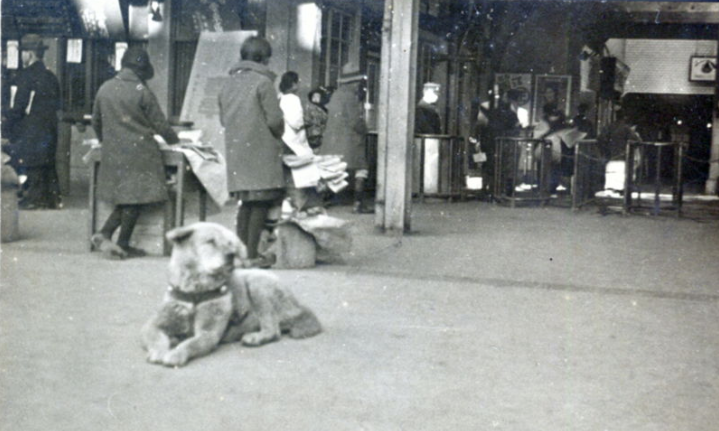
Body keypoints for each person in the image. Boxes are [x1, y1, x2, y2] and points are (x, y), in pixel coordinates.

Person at [91, 46, 179, 259]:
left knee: (130, 199)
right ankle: (108, 234)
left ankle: (117, 241)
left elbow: (96, 121)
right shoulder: (142, 91)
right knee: (136, 198)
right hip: (140, 154)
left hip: (113, 153)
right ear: (141, 70)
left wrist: (106, 140)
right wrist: (176, 141)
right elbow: (159, 123)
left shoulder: (105, 88)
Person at [218, 36, 285, 268]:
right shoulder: (263, 83)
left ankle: (241, 254)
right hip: (261, 149)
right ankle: (252, 256)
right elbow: (275, 120)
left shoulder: (227, 83)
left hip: (238, 150)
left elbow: (223, 119)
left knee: (246, 203)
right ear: (263, 59)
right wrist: (278, 134)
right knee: (260, 202)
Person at [3, 34, 61, 210]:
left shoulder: (25, 77)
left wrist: (7, 124)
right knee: (47, 164)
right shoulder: (51, 77)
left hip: (31, 129)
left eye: (23, 52)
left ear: (29, 54)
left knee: (32, 164)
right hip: (49, 128)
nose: (22, 56)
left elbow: (19, 107)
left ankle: (35, 199)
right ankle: (52, 199)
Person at [321, 73, 372, 214]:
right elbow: (355, 121)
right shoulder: (350, 97)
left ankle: (322, 200)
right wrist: (364, 129)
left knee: (333, 170)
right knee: (361, 170)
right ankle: (358, 203)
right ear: (352, 83)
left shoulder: (336, 95)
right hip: (350, 140)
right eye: (357, 83)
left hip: (332, 140)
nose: (358, 85)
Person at [278, 71, 323, 214]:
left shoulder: (280, 98)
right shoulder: (293, 99)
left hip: (284, 140)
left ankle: (290, 204)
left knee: (288, 176)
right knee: (301, 175)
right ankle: (302, 204)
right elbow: (296, 122)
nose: (299, 84)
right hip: (294, 143)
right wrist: (306, 123)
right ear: (293, 84)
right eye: (297, 82)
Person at [597, 109, 642, 192]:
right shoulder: (626, 128)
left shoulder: (609, 127)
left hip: (611, 156)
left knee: (611, 177)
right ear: (625, 117)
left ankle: (611, 190)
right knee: (622, 177)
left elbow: (600, 139)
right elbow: (637, 141)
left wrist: (604, 151)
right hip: (623, 155)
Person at [303, 86, 329, 150]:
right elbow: (307, 120)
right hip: (313, 134)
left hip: (321, 134)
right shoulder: (309, 107)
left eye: (317, 97)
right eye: (313, 97)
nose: (315, 98)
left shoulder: (324, 109)